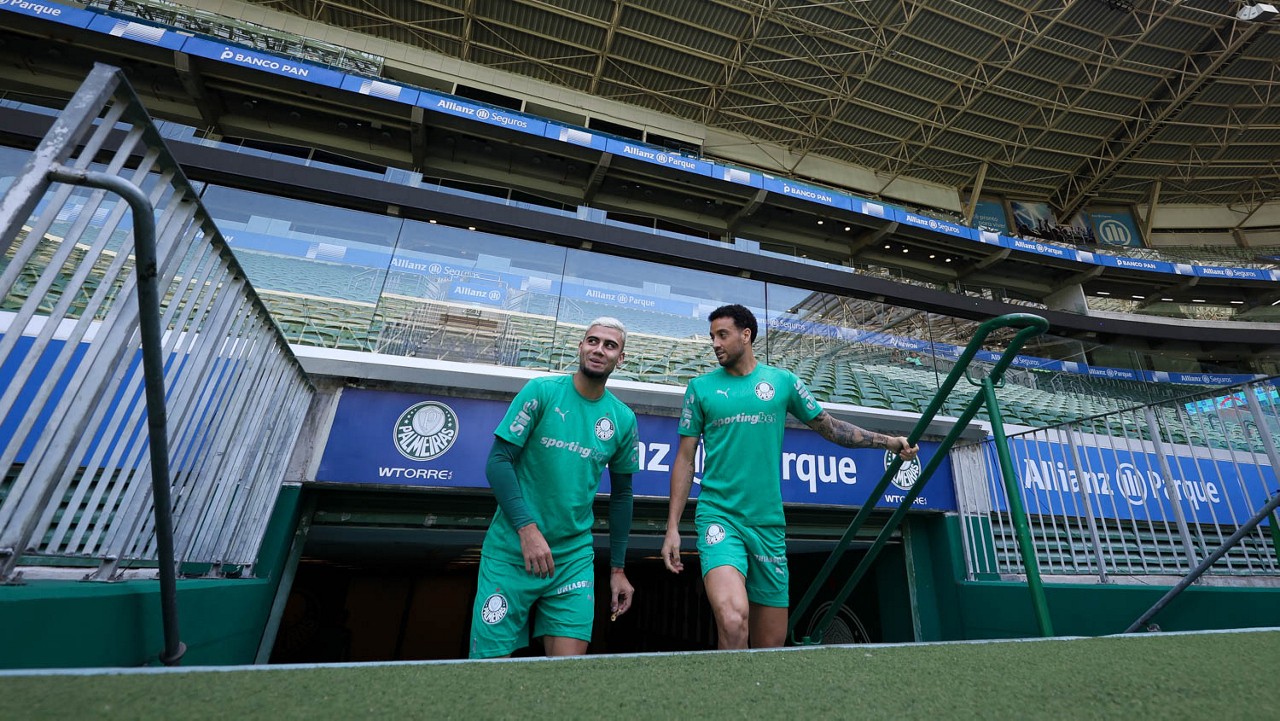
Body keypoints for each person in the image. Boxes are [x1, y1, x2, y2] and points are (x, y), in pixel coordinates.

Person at [661, 304, 919, 650]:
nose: (715, 344)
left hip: (768, 524)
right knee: (733, 620)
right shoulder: (700, 388)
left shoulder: (783, 382)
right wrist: (672, 528)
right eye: (712, 337)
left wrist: (889, 442)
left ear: (746, 335)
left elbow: (831, 428)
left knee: (771, 646)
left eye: (722, 335)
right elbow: (684, 459)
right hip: (719, 518)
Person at [468, 318, 640, 659]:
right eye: (593, 341)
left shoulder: (623, 418)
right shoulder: (541, 391)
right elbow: (498, 462)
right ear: (580, 346)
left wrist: (618, 569)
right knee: (487, 674)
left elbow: (622, 496)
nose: (599, 350)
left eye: (610, 345)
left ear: (620, 359)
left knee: (566, 675)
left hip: (572, 560)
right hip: (511, 551)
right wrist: (527, 529)